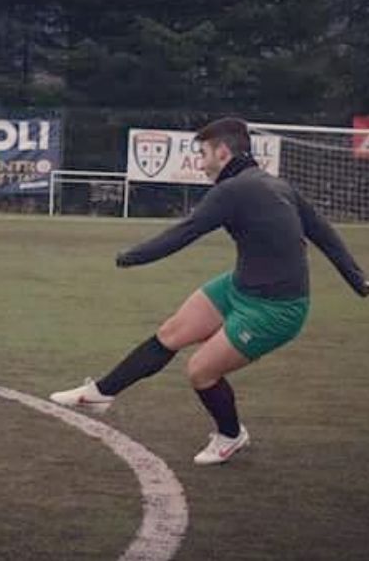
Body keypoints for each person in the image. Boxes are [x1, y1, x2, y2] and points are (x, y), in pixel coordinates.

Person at [50, 117, 369, 465]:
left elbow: (185, 231)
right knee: (172, 332)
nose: (201, 164)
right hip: (239, 285)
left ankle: (231, 435)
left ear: (223, 151)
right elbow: (326, 235)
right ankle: (100, 393)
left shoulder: (233, 190)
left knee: (201, 370)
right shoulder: (275, 184)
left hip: (276, 309)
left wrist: (131, 257)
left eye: (203, 154)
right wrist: (359, 281)